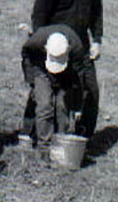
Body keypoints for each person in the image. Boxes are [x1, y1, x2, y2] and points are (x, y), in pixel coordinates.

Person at [25, 0, 103, 142]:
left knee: (90, 91)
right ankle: (32, 133)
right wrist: (45, 46)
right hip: (56, 46)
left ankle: (82, 138)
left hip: (82, 47)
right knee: (46, 94)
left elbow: (96, 12)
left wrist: (97, 40)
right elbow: (39, 15)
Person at [21, 25, 87, 159]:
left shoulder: (77, 47)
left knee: (63, 106)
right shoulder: (36, 41)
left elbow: (79, 78)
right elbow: (26, 55)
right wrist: (32, 81)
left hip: (68, 73)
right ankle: (43, 149)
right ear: (45, 48)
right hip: (41, 68)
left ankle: (60, 146)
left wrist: (77, 105)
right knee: (45, 105)